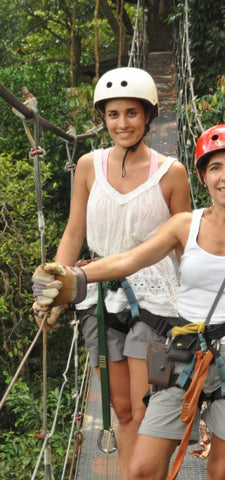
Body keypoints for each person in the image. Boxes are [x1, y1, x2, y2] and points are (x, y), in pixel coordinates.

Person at [32, 123, 225, 480]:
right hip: (183, 354)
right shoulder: (183, 225)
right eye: (215, 168)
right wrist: (75, 279)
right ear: (203, 176)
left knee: (223, 472)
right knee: (143, 471)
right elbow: (129, 260)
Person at [33, 66, 191, 480]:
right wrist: (53, 289)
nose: (122, 123)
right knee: (121, 410)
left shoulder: (171, 172)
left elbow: (186, 241)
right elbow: (73, 232)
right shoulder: (87, 165)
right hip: (99, 295)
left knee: (145, 408)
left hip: (157, 299)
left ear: (148, 115)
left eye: (132, 113)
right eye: (113, 114)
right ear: (102, 118)